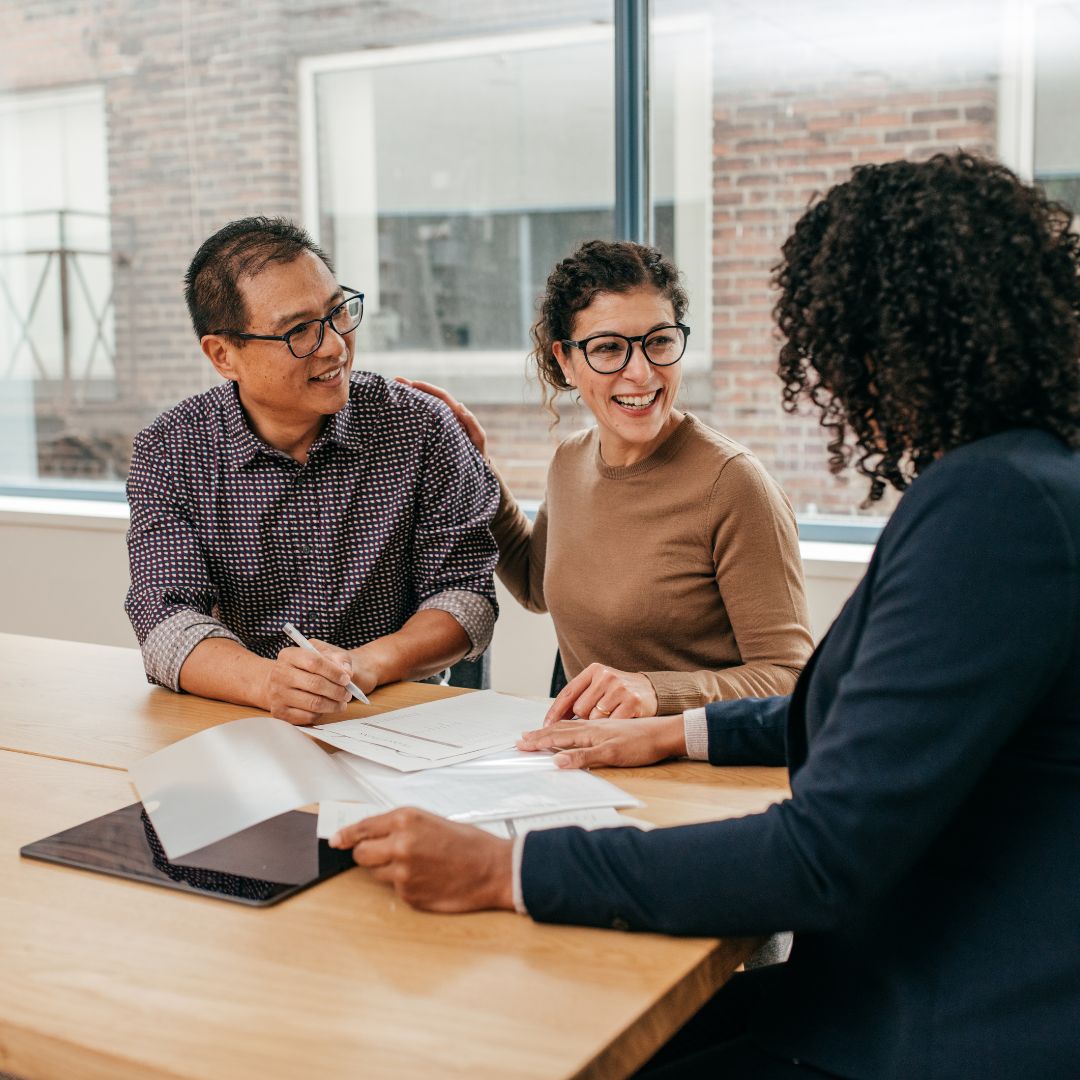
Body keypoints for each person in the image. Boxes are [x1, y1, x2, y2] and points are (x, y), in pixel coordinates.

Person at [331, 153, 1080, 1078]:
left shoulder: (996, 508)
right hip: (892, 976)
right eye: (607, 347)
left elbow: (822, 850)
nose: (837, 384)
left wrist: (506, 871)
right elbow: (863, 715)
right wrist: (680, 731)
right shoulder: (1016, 480)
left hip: (943, 1020)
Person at [401, 239, 813, 722]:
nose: (640, 372)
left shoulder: (735, 484)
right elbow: (536, 586)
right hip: (594, 753)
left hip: (696, 768)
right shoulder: (571, 459)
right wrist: (475, 468)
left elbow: (789, 676)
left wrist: (656, 692)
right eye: (609, 348)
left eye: (659, 340)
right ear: (567, 362)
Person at [125, 217, 499, 725]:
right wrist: (269, 683)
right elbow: (165, 618)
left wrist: (365, 665)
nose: (334, 346)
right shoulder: (170, 450)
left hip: (398, 715)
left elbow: (467, 596)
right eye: (298, 330)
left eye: (337, 312)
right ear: (222, 354)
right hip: (244, 718)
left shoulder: (422, 426)